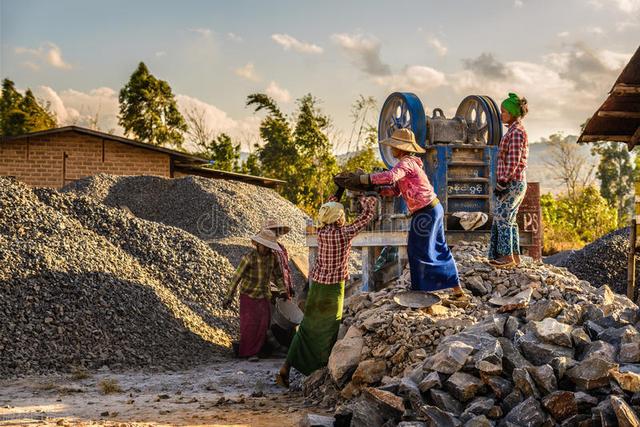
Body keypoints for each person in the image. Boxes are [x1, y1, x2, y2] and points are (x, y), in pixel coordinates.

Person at [276, 196, 377, 387]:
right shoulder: (344, 233)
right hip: (332, 290)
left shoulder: (322, 231)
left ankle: (285, 368)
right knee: (328, 329)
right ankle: (321, 369)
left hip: (317, 287)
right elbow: (365, 219)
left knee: (307, 328)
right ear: (339, 219)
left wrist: (335, 197)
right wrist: (367, 202)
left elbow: (329, 210)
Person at [354, 128, 466, 298]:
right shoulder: (412, 164)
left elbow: (391, 176)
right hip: (433, 208)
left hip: (425, 212)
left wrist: (366, 179)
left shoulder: (405, 163)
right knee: (439, 248)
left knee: (417, 250)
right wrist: (375, 189)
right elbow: (395, 190)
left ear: (401, 148)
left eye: (393, 146)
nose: (391, 150)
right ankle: (456, 289)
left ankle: (421, 292)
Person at [224, 229, 287, 358]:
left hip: (264, 294)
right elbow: (236, 277)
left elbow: (278, 276)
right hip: (248, 295)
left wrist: (283, 291)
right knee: (249, 324)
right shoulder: (249, 258)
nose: (266, 249)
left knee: (263, 324)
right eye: (264, 246)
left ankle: (258, 350)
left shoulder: (272, 258)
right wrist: (229, 296)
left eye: (268, 246)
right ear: (258, 244)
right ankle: (248, 352)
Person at [489, 93, 529, 269]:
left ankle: (506, 257)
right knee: (509, 219)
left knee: (503, 217)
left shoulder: (517, 133)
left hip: (512, 183)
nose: (501, 115)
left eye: (504, 111)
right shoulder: (513, 131)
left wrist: (502, 182)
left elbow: (513, 161)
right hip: (514, 182)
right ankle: (514, 257)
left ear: (512, 113)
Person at [263, 219, 294, 299]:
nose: (276, 233)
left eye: (277, 230)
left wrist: (290, 286)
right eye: (273, 230)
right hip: (271, 290)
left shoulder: (282, 248)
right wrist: (273, 289)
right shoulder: (265, 248)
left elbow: (286, 268)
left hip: (284, 289)